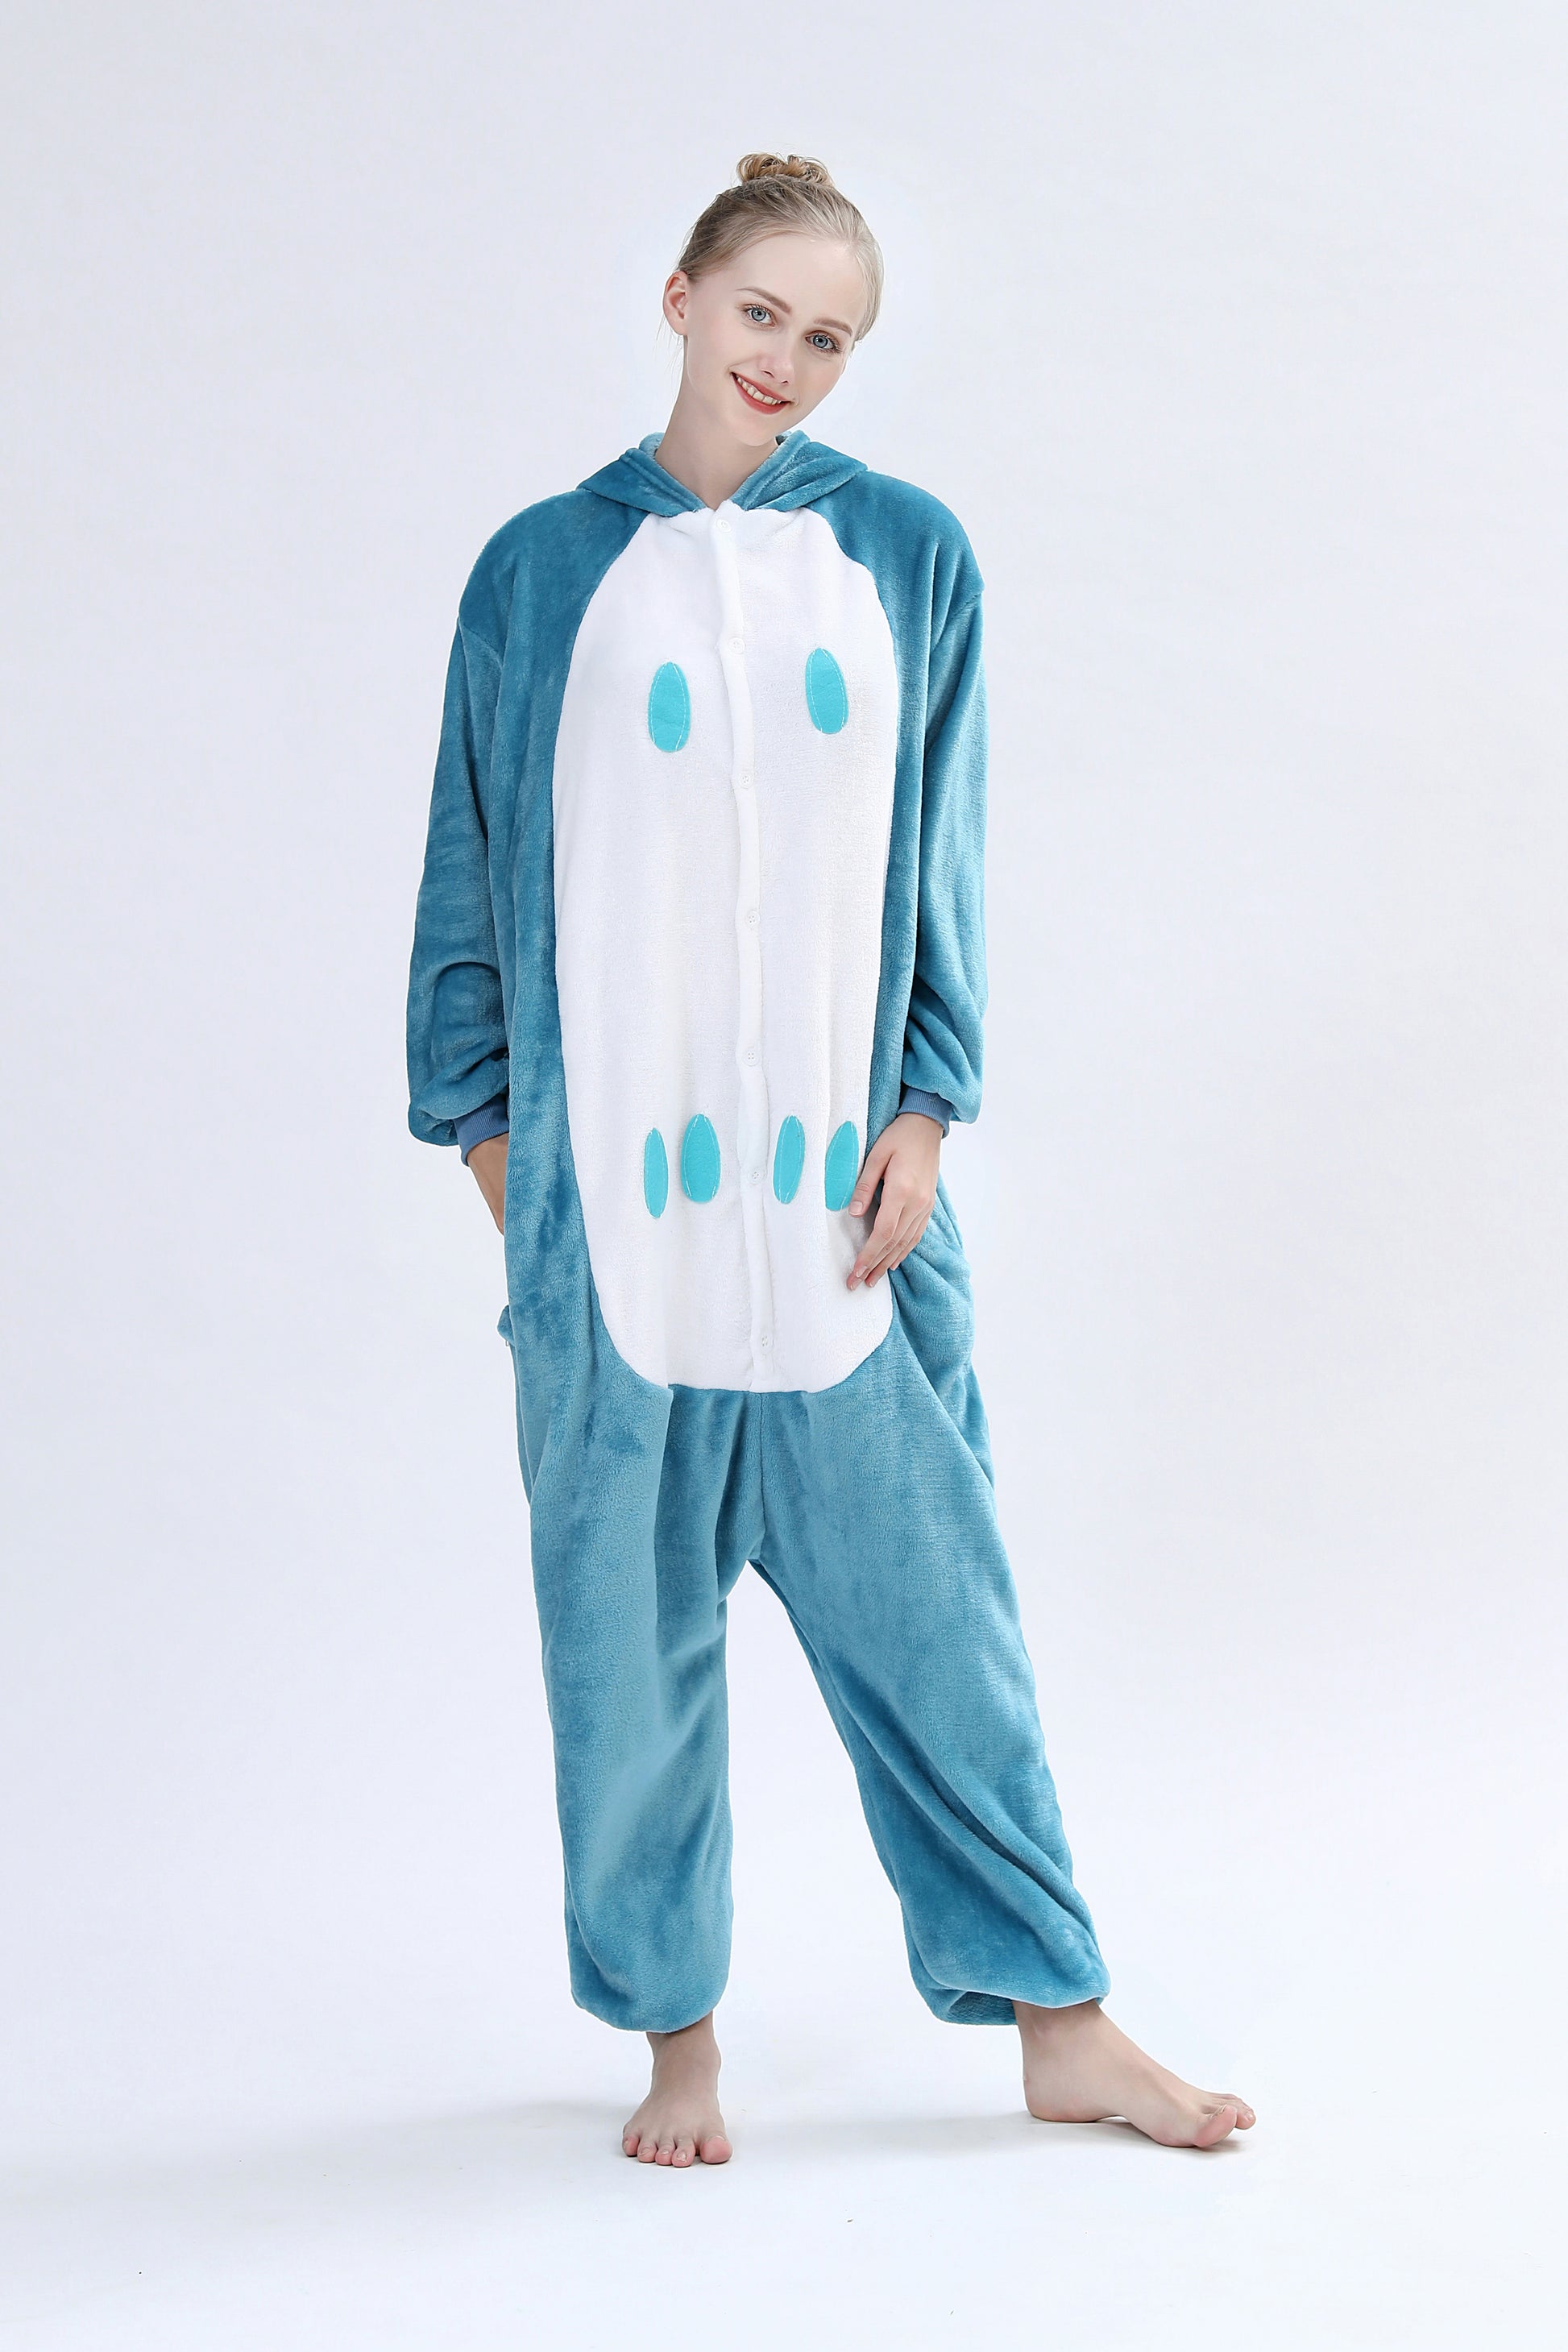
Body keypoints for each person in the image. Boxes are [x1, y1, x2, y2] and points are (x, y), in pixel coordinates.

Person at [405, 151, 1255, 2167]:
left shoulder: (908, 557)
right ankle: (676, 2042)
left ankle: (1065, 2019)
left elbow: (942, 859)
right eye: (760, 313)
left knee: (946, 1639)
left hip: (844, 1238)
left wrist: (928, 1114)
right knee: (627, 1677)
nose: (786, 359)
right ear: (683, 299)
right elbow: (464, 885)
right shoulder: (537, 573)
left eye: (829, 337)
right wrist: (514, 1184)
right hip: (611, 1258)